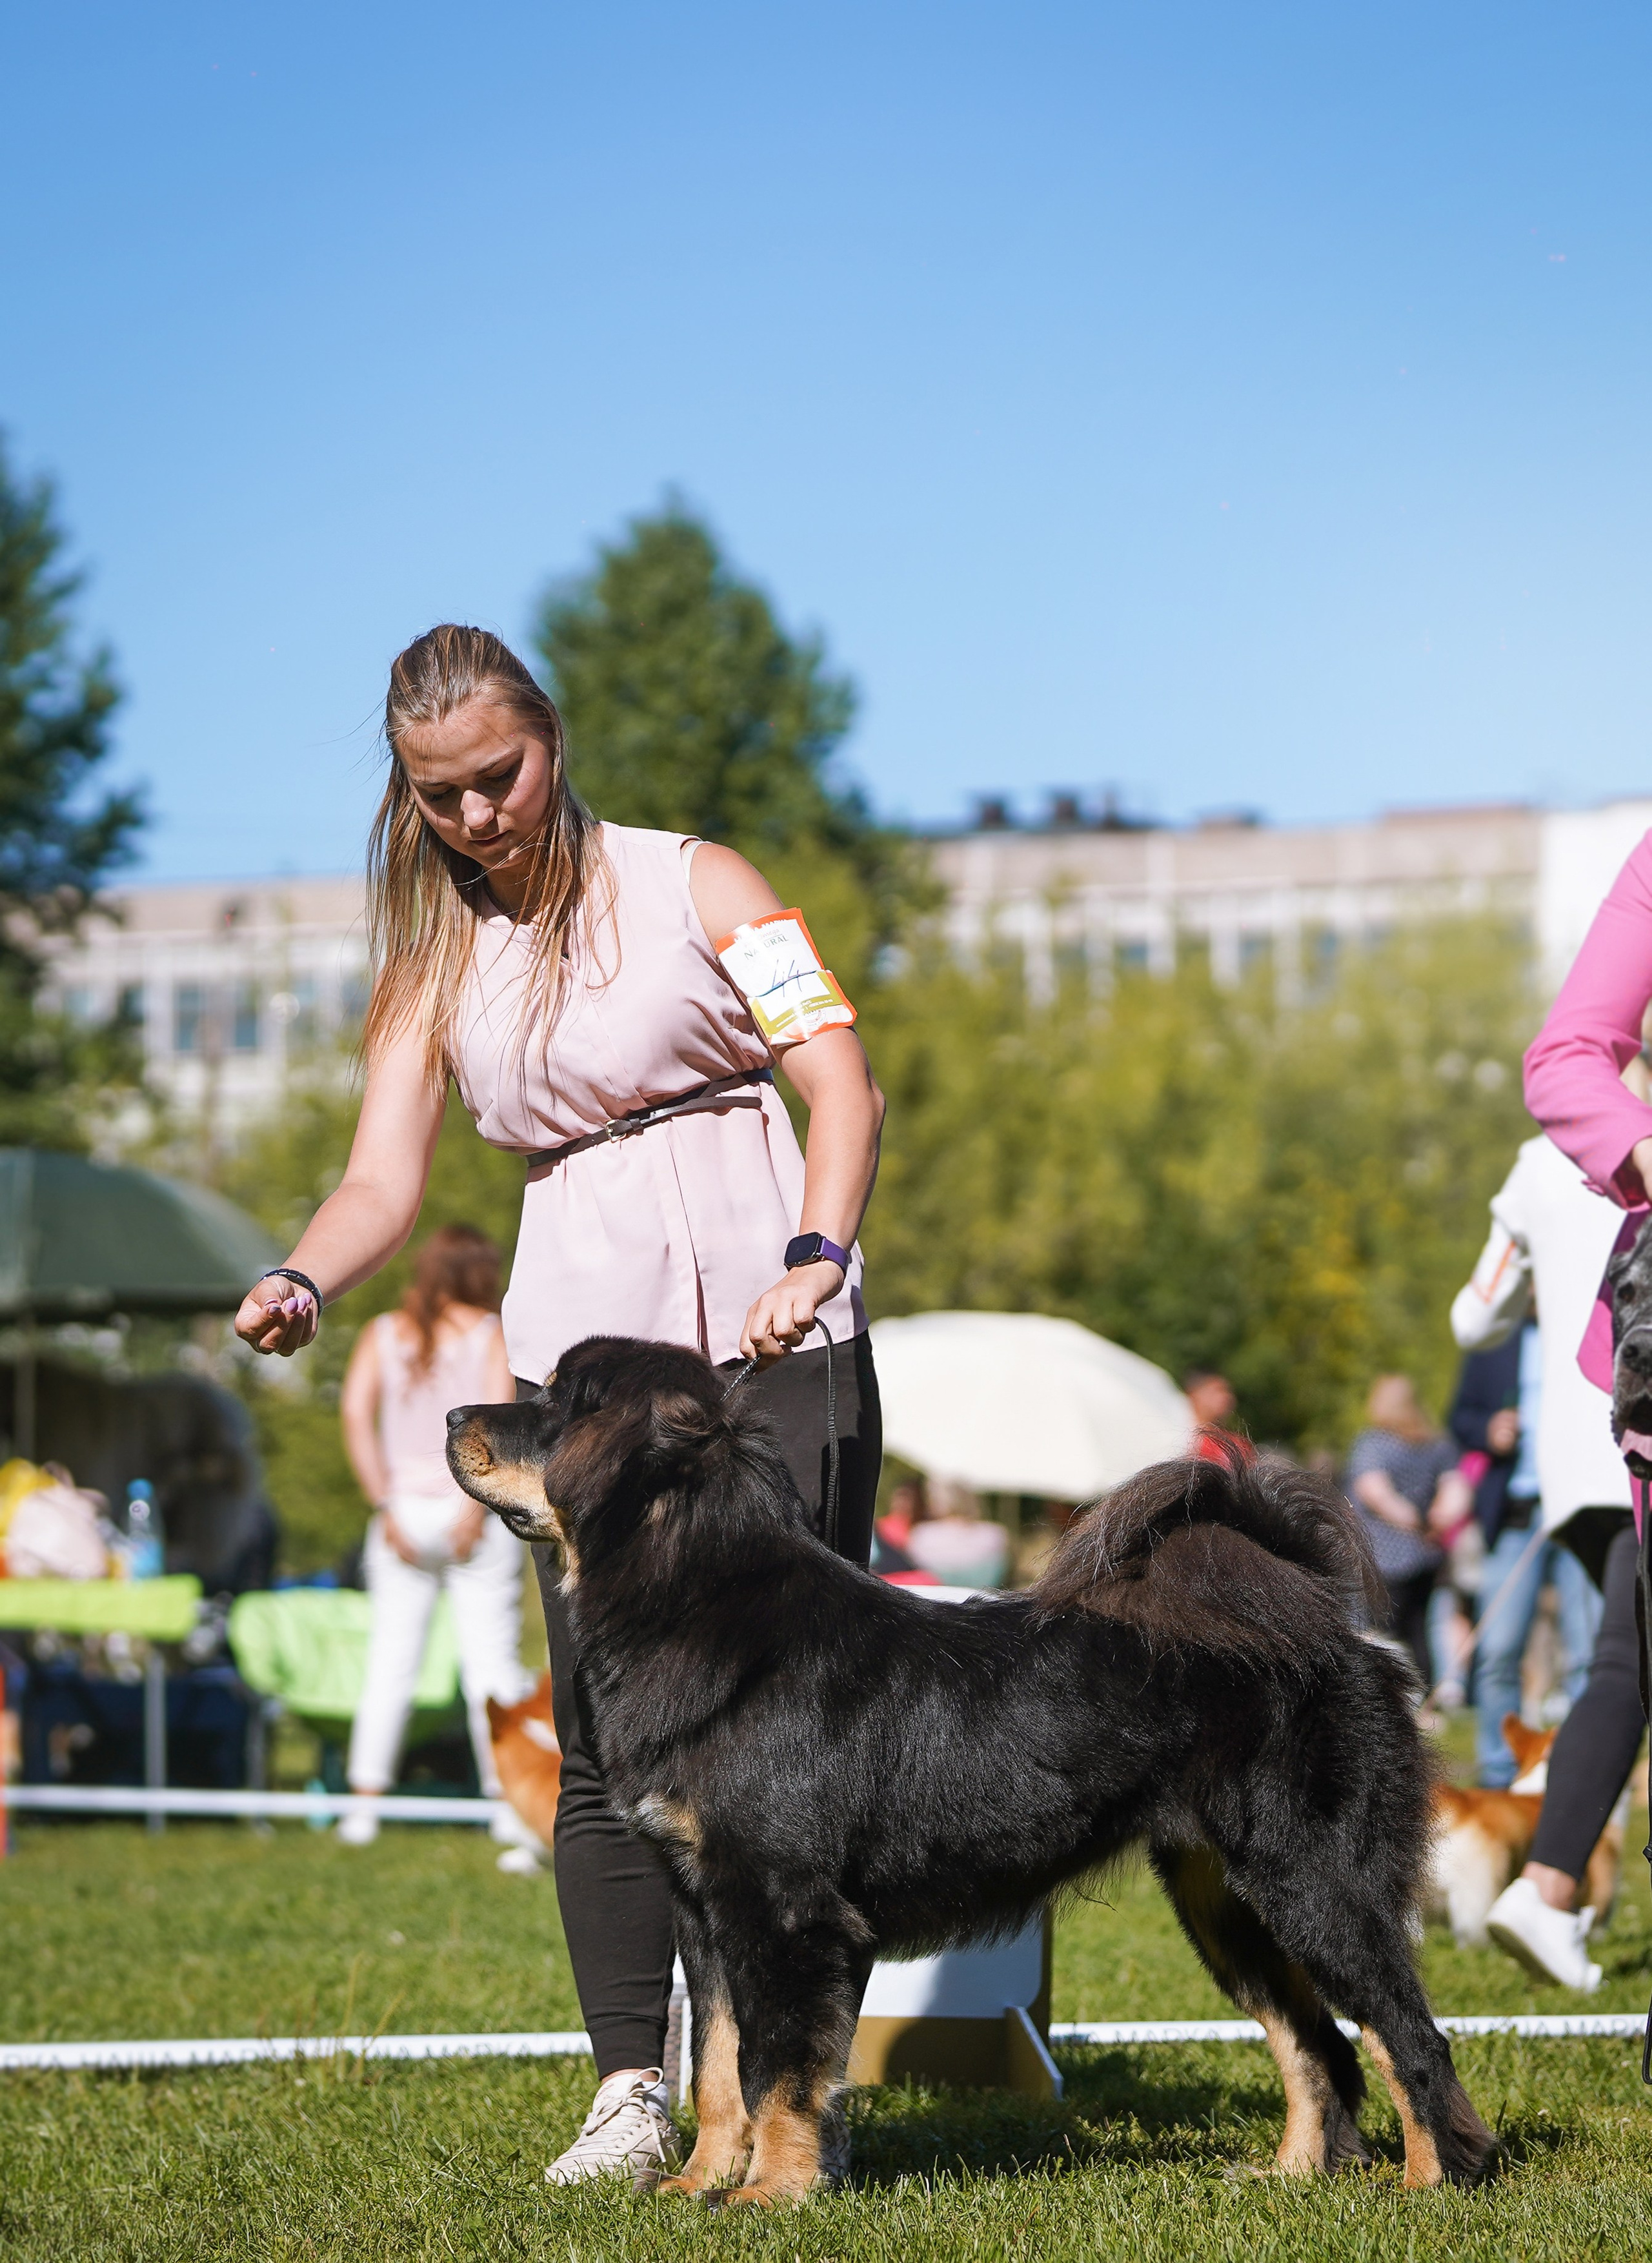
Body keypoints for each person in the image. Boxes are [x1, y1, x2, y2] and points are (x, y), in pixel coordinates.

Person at [233, 625, 885, 2186]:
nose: (476, 812)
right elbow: (382, 1178)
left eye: (498, 773)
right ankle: (630, 2089)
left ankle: (794, 2102)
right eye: (437, 792)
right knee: (602, 1738)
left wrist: (816, 1248)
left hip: (770, 1336)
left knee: (795, 1729)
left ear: (551, 738)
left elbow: (841, 1081)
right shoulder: (431, 962)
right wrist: (303, 1278)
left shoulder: (698, 879)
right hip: (586, 1386)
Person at [1481, 849, 1652, 1988]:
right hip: (1607, 1421)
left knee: (1625, 1657)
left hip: (1566, 1444)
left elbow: (1471, 1310)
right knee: (1621, 1657)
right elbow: (1568, 1055)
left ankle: (1546, 1889)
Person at [336, 1224, 530, 1843]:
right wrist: (476, 1509)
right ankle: (509, 1809)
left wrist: (385, 1503)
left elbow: (353, 1414)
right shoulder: (489, 1334)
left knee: (390, 1664)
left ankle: (363, 1810)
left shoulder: (382, 1333)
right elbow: (500, 1426)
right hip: (471, 1512)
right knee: (492, 1667)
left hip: (403, 1519)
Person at [1450, 1133, 1629, 1792]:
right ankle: (1507, 1774)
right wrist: (1489, 1432)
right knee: (1505, 1649)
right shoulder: (1496, 1352)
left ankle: (1577, 1788)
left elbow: (1471, 1312)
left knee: (1598, 1655)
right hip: (1523, 1508)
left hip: (1583, 1489)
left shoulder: (1543, 1159)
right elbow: (1459, 1415)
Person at [1344, 1376, 1472, 1689]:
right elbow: (1457, 1488)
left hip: (1381, 1555)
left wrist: (1411, 1519)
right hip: (1426, 1553)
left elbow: (1373, 1491)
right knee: (1419, 1631)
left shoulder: (1373, 1443)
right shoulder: (1436, 1443)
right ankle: (1425, 1702)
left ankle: (1387, 1701)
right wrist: (1438, 1520)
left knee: (1381, 1632)